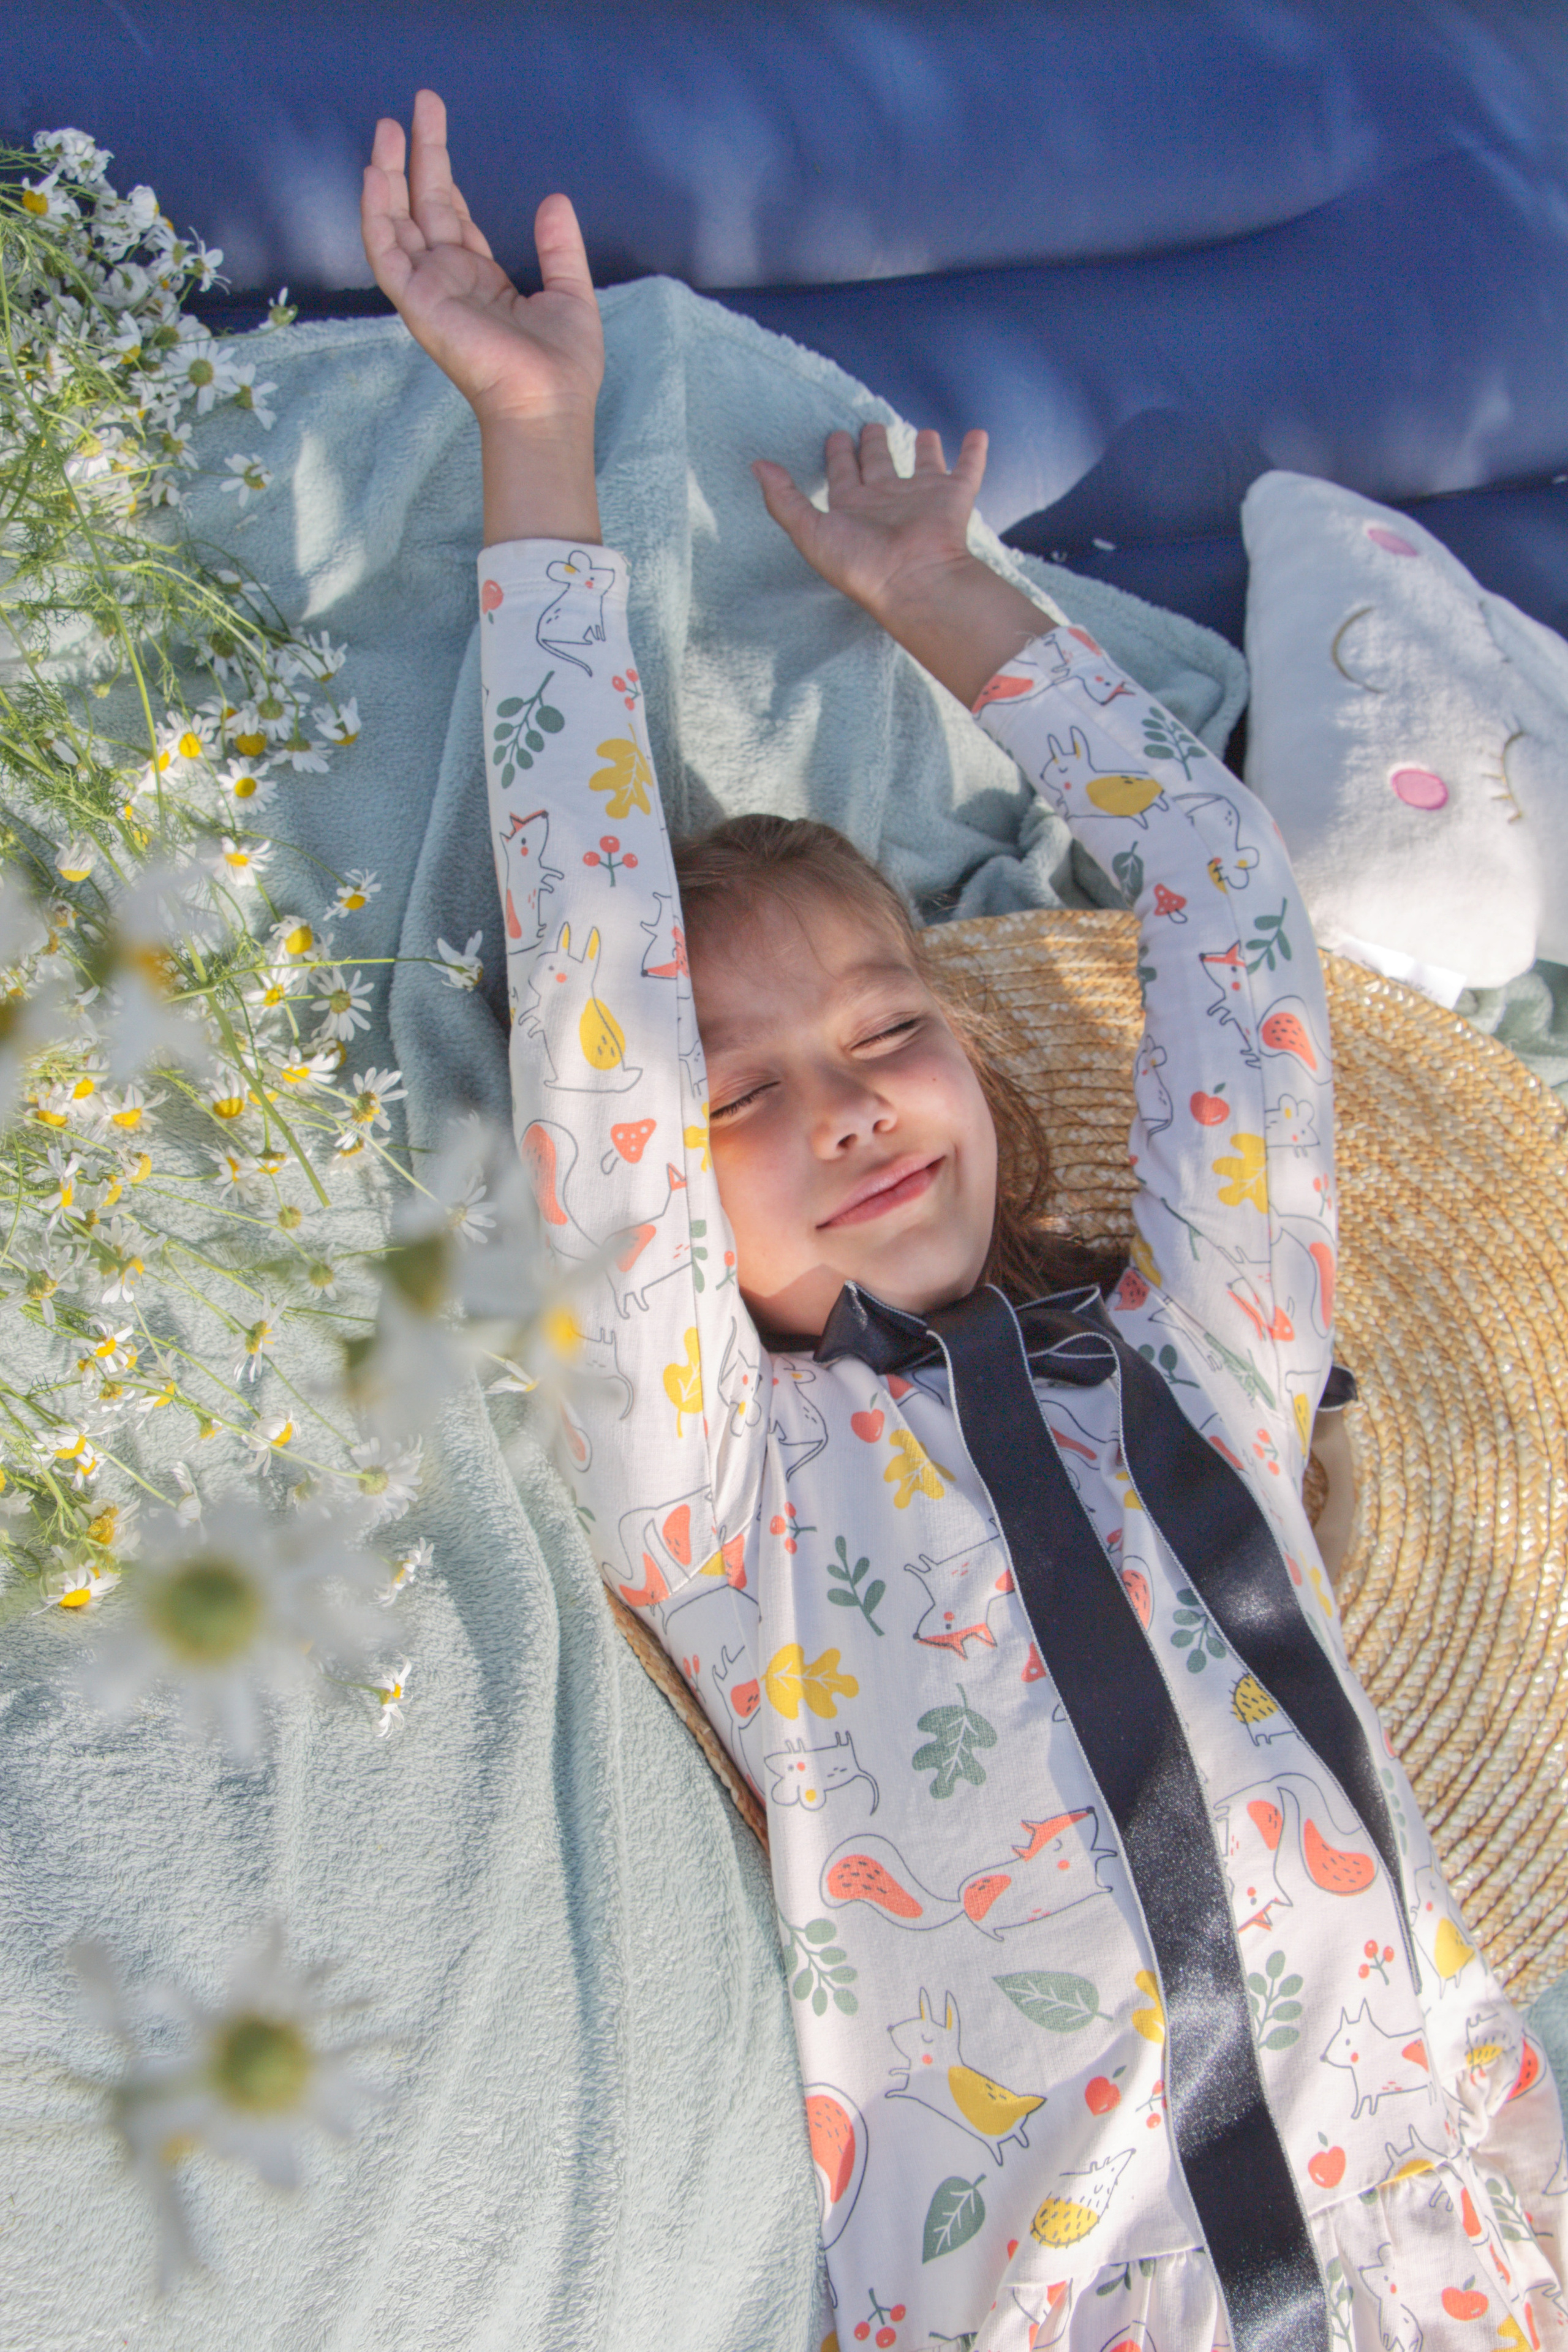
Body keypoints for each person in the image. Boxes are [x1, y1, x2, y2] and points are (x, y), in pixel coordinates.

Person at [362, 91, 1566, 2352]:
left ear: (982, 1065)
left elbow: (1225, 907)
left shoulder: (1206, 1368)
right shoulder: (727, 1488)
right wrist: (539, 447)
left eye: (888, 1027)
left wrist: (953, 605)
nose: (844, 1105)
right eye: (742, 1093)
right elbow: (594, 993)